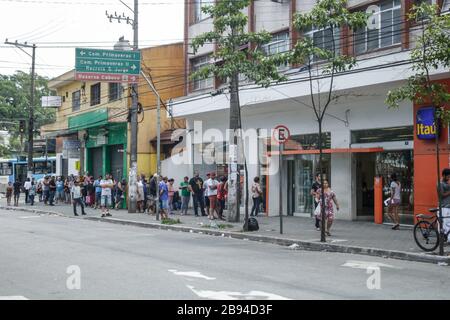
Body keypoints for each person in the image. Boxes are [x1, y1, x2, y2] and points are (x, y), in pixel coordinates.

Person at [439, 168, 450, 243]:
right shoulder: (440, 183)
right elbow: (441, 195)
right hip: (444, 207)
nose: (449, 178)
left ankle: (447, 239)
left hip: (448, 207)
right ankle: (443, 240)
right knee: (445, 225)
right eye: (448, 176)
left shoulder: (447, 183)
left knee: (448, 225)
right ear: (443, 175)